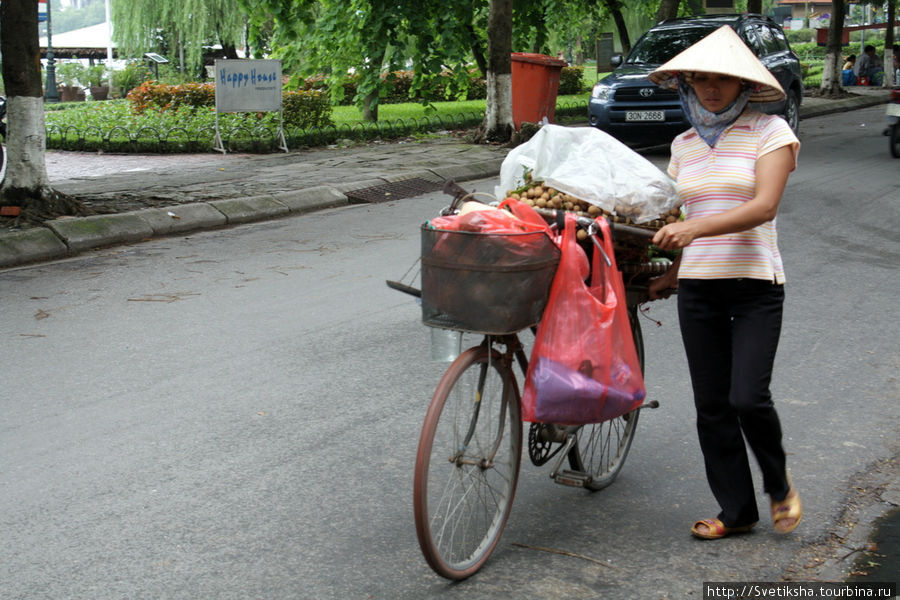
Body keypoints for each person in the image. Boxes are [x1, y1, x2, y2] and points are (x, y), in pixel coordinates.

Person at [646, 25, 803, 540]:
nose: (711, 88)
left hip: (756, 285)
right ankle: (736, 511)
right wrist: (672, 270)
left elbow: (763, 207)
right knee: (711, 406)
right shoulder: (684, 144)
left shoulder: (771, 132)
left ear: (744, 85)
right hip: (699, 289)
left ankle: (778, 484)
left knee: (747, 398)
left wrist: (693, 227)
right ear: (688, 84)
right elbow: (686, 211)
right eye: (700, 79)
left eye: (722, 79)